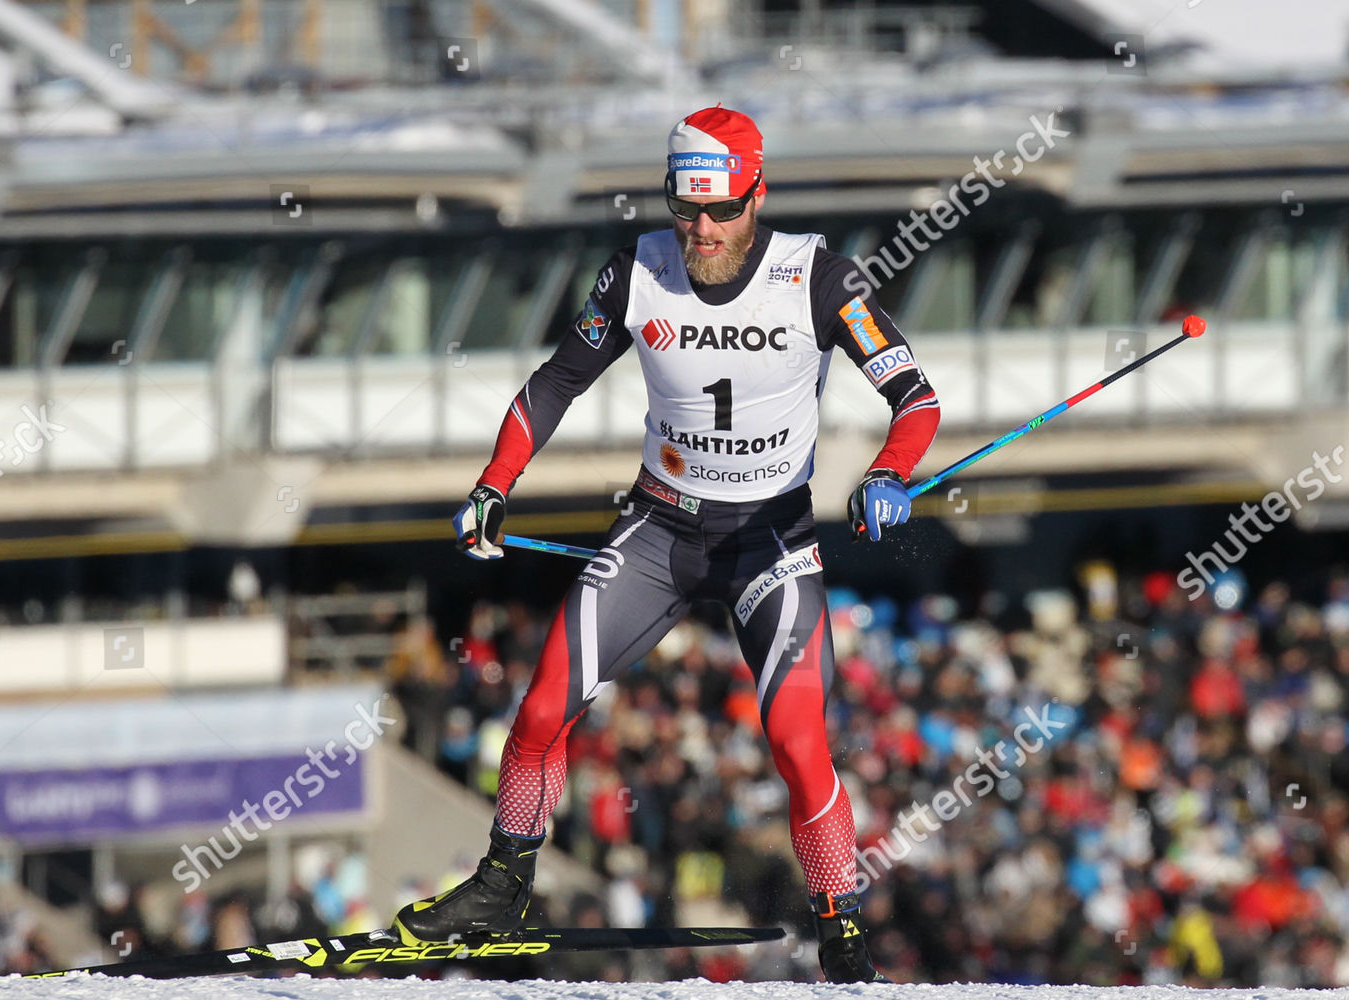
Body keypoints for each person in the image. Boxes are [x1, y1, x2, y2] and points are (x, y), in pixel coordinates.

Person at [394, 105, 941, 984]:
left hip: (771, 541)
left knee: (800, 745)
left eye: (722, 210)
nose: (703, 230)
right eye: (686, 211)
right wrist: (495, 484)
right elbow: (552, 386)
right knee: (540, 710)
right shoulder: (636, 272)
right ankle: (504, 882)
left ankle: (840, 923)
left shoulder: (820, 278)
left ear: (757, 194)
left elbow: (915, 398)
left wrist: (889, 474)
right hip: (660, 529)